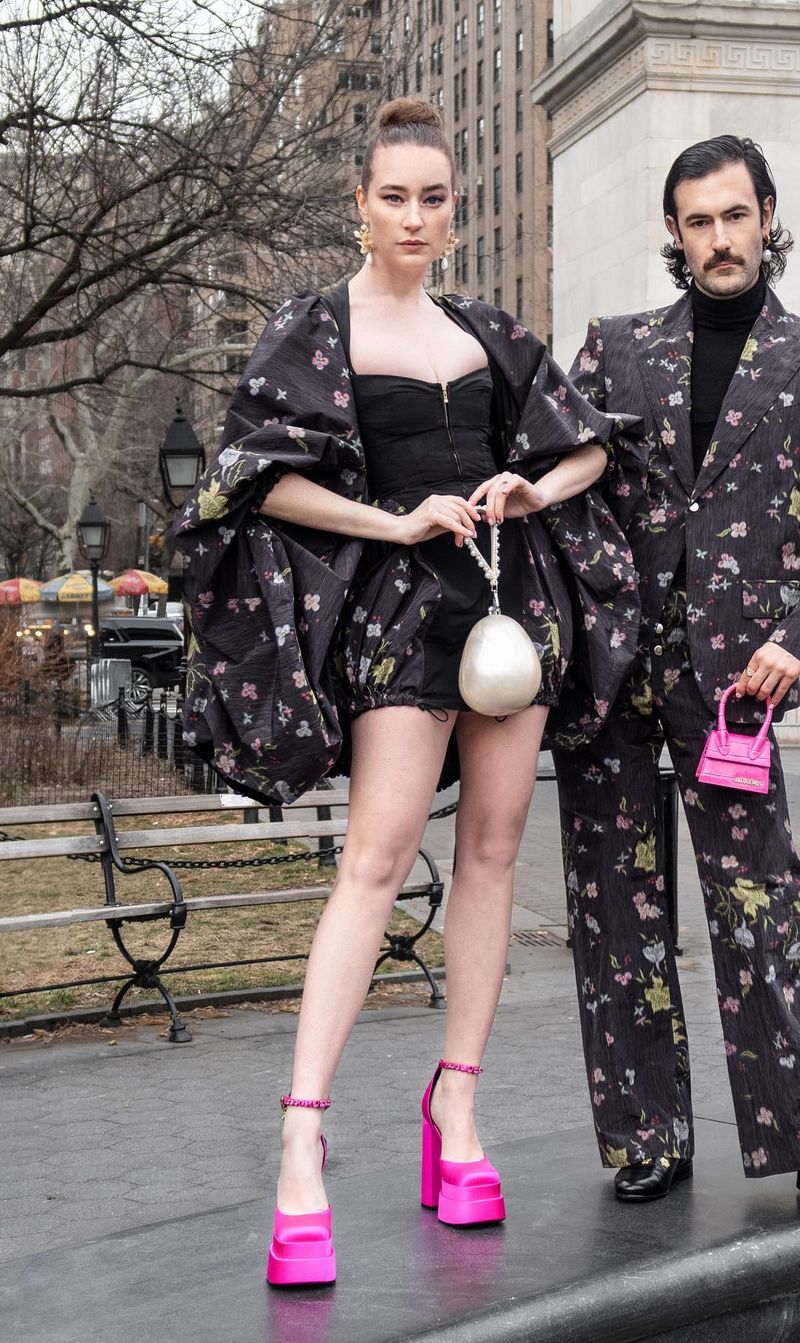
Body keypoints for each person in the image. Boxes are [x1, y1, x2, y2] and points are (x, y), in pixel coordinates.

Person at [167, 99, 639, 1287]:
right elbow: (256, 481)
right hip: (399, 616)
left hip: (507, 615)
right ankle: (300, 1140)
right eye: (395, 196)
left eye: (434, 197)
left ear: (452, 205)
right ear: (361, 203)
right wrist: (392, 517)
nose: (415, 217)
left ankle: (458, 1113)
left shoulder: (486, 330)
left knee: (489, 854)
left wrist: (530, 491)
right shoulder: (314, 328)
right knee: (374, 860)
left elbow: (589, 446)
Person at [552, 135, 800, 1236]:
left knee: (763, 901)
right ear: (674, 232)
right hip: (613, 673)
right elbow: (555, 481)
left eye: (735, 215)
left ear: (768, 215)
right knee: (616, 904)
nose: (718, 238)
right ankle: (646, 1137)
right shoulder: (615, 351)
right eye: (696, 221)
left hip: (737, 689)